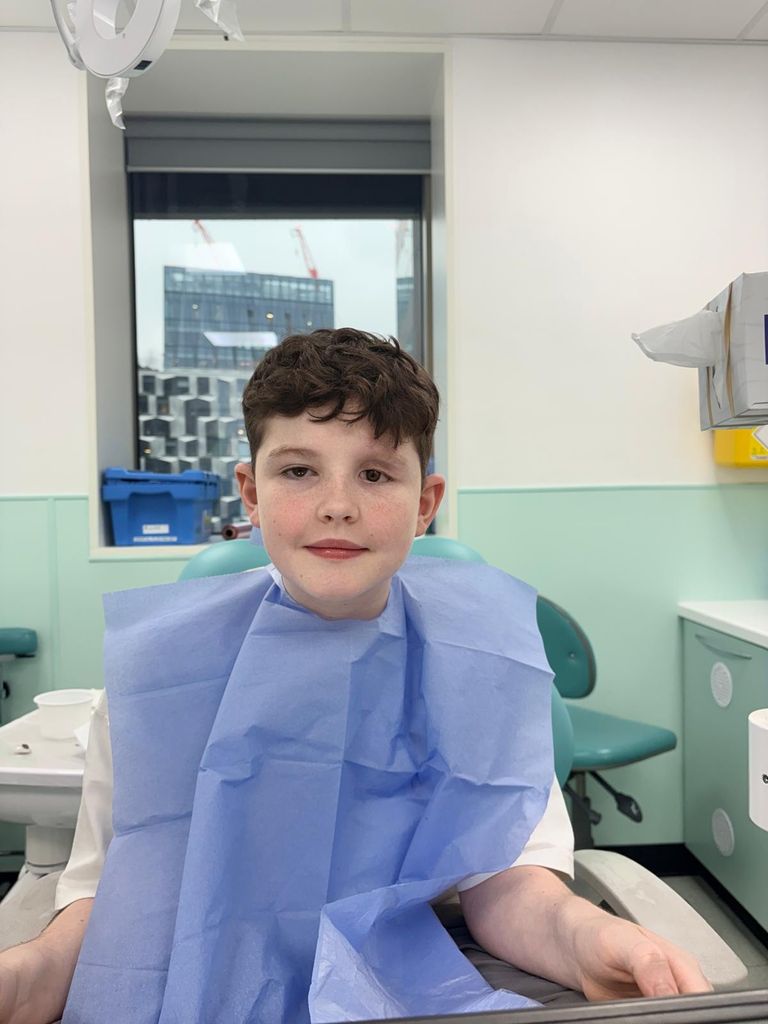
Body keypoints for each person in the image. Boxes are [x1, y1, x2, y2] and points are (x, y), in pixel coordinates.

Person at [0, 329, 710, 1023]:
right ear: (250, 490)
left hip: (403, 977)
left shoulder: (483, 671)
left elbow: (507, 883)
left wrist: (590, 940)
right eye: (299, 470)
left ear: (425, 503)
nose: (337, 504)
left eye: (374, 474)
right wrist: (35, 973)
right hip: (201, 966)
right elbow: (111, 891)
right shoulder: (159, 680)